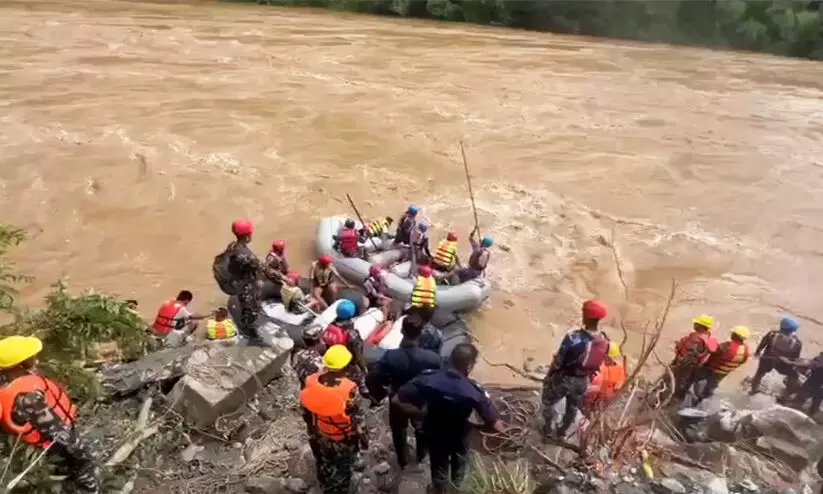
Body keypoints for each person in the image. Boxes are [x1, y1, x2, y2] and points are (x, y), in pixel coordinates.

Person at [393, 343, 504, 493]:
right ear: (469, 366)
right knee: (459, 465)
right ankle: (456, 489)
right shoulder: (474, 391)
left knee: (438, 467)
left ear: (451, 359)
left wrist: (419, 413)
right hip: (459, 437)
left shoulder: (428, 379)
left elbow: (396, 400)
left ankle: (439, 490)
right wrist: (478, 427)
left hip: (435, 434)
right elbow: (497, 426)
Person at [0, 336, 99, 494]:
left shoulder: (7, 385)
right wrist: (85, 457)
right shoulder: (28, 399)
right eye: (31, 359)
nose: (36, 362)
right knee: (85, 462)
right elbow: (64, 438)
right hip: (48, 451)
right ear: (18, 366)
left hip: (32, 444)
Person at [367, 316, 441, 469]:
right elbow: (440, 380)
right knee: (422, 429)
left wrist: (379, 394)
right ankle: (421, 456)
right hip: (421, 401)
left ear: (401, 331)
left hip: (397, 398)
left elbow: (373, 377)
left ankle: (403, 461)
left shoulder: (391, 356)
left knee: (399, 430)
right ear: (421, 333)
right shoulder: (433, 358)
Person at [299, 345, 368, 494]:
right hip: (343, 438)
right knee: (343, 469)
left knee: (326, 461)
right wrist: (363, 439)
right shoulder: (349, 389)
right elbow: (358, 420)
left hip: (321, 433)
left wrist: (313, 431)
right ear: (344, 367)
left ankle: (326, 485)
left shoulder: (311, 381)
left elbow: (306, 412)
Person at [542, 300, 610, 439]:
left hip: (565, 379)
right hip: (583, 381)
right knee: (572, 408)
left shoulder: (573, 338)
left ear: (586, 317)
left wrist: (548, 377)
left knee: (548, 401)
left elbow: (558, 362)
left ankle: (548, 429)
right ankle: (562, 431)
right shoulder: (605, 341)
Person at [212, 219, 282, 295]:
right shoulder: (247, 256)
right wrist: (284, 278)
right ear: (247, 237)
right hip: (234, 286)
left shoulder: (232, 246)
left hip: (228, 279)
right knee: (260, 282)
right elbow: (266, 270)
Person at [687, 326, 750, 405]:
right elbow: (743, 361)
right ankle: (703, 401)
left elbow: (713, 349)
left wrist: (710, 339)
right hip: (723, 373)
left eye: (733, 333)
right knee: (711, 386)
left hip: (711, 368)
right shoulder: (745, 349)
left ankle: (692, 398)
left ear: (735, 335)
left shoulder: (728, 346)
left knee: (697, 379)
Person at [323, 300, 369, 398]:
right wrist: (363, 368)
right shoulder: (352, 334)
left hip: (331, 358)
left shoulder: (330, 326)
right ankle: (362, 394)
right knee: (361, 375)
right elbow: (358, 355)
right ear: (351, 314)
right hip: (346, 363)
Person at [750, 317, 803, 396]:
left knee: (760, 373)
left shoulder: (772, 334)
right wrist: (793, 367)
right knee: (793, 375)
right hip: (782, 363)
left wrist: (757, 352)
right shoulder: (797, 343)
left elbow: (762, 344)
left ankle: (753, 390)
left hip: (767, 359)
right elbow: (795, 358)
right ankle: (789, 391)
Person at [670, 314, 718, 400]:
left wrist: (679, 345)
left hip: (684, 365)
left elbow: (686, 353)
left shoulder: (695, 339)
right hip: (696, 367)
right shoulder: (710, 340)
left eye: (696, 323)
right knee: (686, 383)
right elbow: (713, 349)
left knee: (677, 383)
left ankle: (674, 399)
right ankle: (680, 396)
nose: (694, 324)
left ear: (701, 327)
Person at [582, 342, 626, 412]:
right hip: (591, 395)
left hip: (603, 399)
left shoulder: (619, 369)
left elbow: (618, 387)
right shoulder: (598, 364)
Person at [785, 352, 823, 416]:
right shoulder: (818, 360)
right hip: (817, 385)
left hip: (813, 384)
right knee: (814, 406)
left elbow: (810, 364)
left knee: (799, 401)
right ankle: (811, 414)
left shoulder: (818, 361)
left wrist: (791, 362)